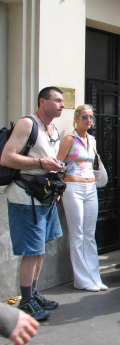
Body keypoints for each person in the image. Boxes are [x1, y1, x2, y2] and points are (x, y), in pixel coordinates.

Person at [1, 87, 65, 321]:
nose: (62, 105)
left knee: (41, 249)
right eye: (57, 100)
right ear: (42, 101)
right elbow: (7, 157)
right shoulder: (28, 124)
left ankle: (35, 292)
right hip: (25, 198)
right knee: (31, 251)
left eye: (62, 101)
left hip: (45, 196)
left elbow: (49, 161)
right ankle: (26, 301)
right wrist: (40, 162)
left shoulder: (53, 128)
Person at [57, 104, 107, 292]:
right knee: (77, 233)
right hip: (73, 187)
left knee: (89, 233)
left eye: (91, 117)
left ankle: (94, 276)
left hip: (90, 186)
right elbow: (59, 163)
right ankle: (82, 279)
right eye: (84, 117)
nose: (88, 120)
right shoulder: (69, 139)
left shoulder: (91, 140)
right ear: (76, 119)